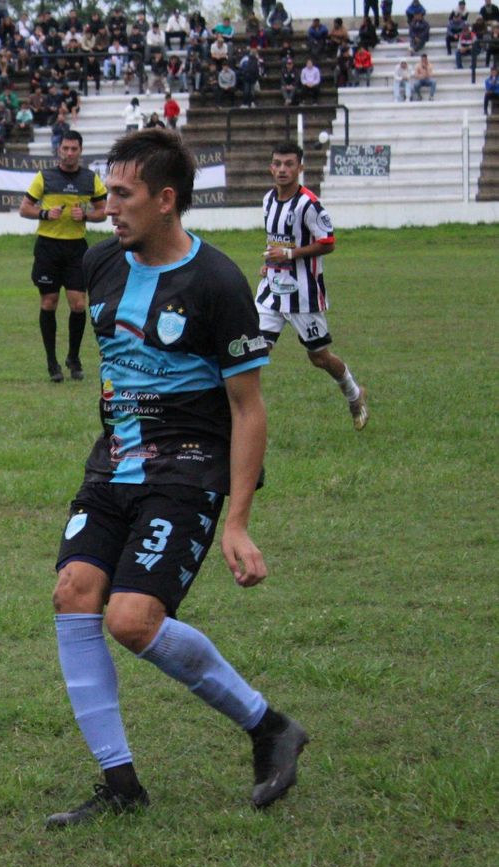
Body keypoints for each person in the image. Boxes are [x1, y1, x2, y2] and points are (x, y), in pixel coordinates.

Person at [45, 128, 309, 828]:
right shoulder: (102, 267)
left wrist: (238, 519)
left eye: (123, 195)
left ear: (166, 200)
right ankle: (120, 784)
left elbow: (248, 410)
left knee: (131, 620)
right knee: (74, 592)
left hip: (188, 469)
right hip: (113, 465)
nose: (108, 207)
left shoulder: (218, 282)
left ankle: (268, 726)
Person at [255, 143, 368, 429]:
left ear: (300, 168)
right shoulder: (268, 199)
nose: (282, 169)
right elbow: (275, 239)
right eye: (278, 163)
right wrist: (270, 263)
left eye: (289, 164)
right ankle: (238, 418)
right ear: (271, 167)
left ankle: (354, 394)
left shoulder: (309, 204)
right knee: (255, 351)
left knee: (318, 357)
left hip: (303, 295)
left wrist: (291, 255)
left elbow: (328, 242)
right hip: (271, 291)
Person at [18, 130, 107, 382]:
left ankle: (74, 358)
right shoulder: (44, 177)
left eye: (74, 149)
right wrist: (45, 214)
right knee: (49, 303)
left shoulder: (91, 179)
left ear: (80, 151)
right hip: (48, 247)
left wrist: (87, 216)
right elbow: (24, 208)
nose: (69, 153)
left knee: (78, 304)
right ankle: (52, 363)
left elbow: (103, 210)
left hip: (76, 249)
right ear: (59, 150)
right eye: (65, 148)